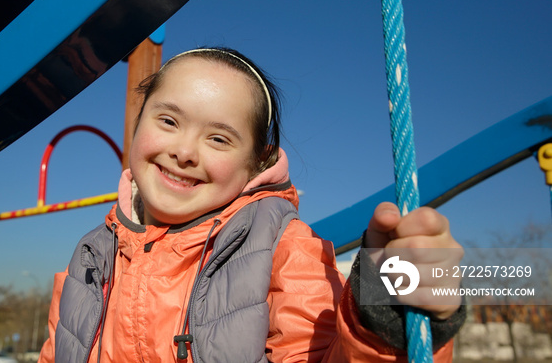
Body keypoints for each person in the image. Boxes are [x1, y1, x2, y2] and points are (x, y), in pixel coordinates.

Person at [38, 47, 465, 363]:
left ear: (258, 162)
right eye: (168, 121)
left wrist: (383, 325)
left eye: (218, 138)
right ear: (139, 122)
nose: (184, 151)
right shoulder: (94, 252)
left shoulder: (284, 247)